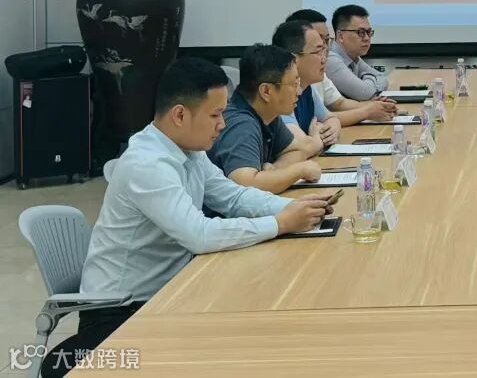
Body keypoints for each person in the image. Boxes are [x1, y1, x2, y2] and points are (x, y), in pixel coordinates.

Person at [42, 59, 336, 377]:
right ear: (180, 115)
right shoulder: (147, 164)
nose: (222, 124)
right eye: (215, 114)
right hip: (120, 313)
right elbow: (198, 234)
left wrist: (292, 207)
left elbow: (233, 197)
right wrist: (281, 223)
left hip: (167, 294)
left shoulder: (189, 150)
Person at [208, 44, 324, 194]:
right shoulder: (241, 124)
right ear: (266, 91)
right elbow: (246, 185)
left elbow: (298, 151)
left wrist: (275, 170)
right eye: (294, 84)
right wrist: (299, 170)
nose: (299, 91)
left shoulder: (268, 114)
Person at [285, 9, 398, 125]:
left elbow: (336, 105)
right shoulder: (285, 87)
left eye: (326, 40)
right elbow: (318, 122)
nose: (325, 48)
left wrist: (375, 106)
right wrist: (368, 111)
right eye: (318, 42)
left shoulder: (309, 84)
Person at [271, 20, 343, 147]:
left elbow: (331, 118)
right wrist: (316, 139)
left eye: (324, 51)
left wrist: (331, 130)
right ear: (293, 59)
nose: (324, 59)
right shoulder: (280, 91)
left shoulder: (307, 87)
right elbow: (299, 145)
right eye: (318, 52)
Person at [326, 4, 388, 101]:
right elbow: (364, 93)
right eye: (361, 32)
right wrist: (368, 76)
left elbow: (382, 78)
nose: (367, 38)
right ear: (341, 36)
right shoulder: (331, 59)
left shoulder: (353, 56)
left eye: (369, 32)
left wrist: (370, 85)